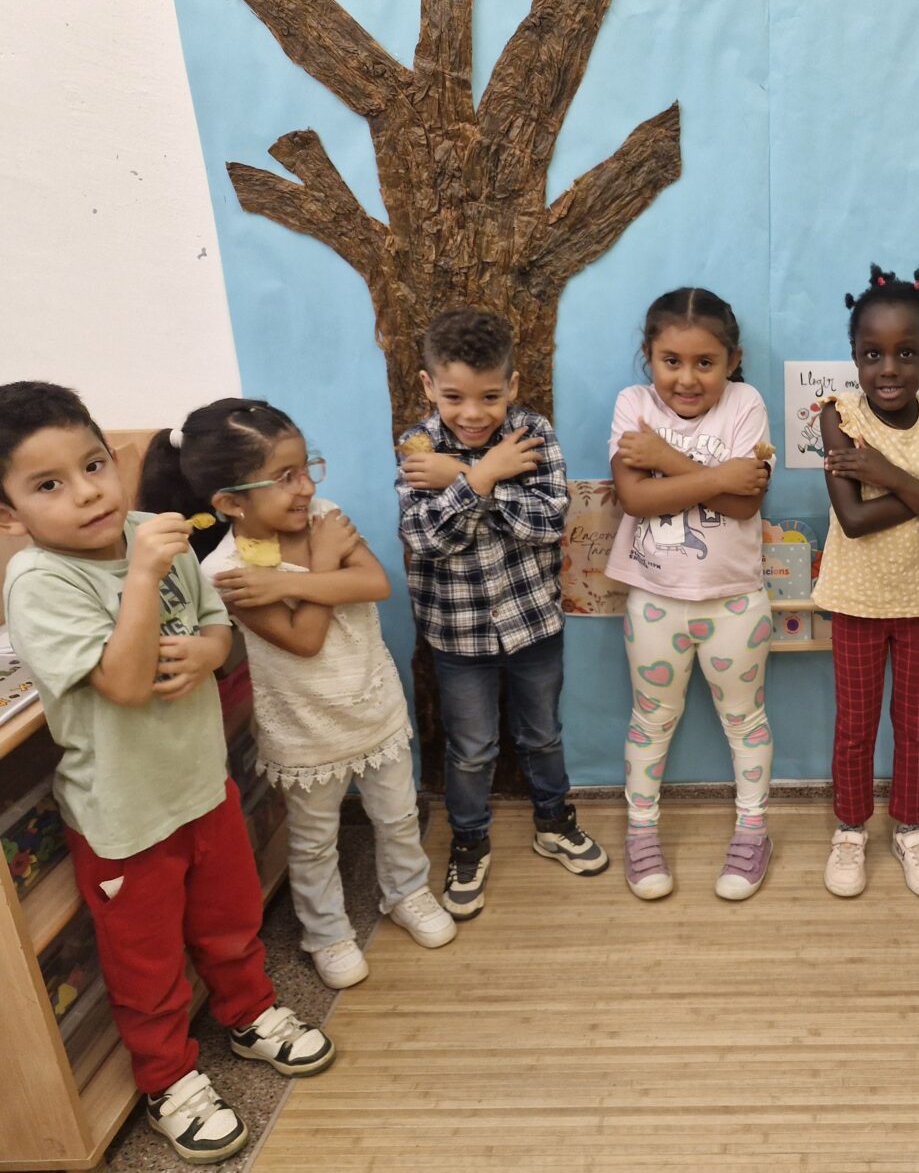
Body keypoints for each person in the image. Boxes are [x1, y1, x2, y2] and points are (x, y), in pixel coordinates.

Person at [0, 382, 333, 1164]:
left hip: (199, 785)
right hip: (123, 816)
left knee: (230, 918)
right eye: (48, 485)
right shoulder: (39, 583)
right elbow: (119, 682)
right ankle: (168, 1078)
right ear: (10, 514)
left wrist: (212, 651)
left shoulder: (154, 529)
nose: (85, 493)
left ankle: (248, 1012)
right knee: (145, 961)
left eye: (91, 466)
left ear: (116, 461)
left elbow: (214, 622)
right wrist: (143, 578)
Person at [139, 398, 456, 991]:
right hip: (306, 729)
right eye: (285, 477)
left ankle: (407, 893)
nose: (307, 487)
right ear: (231, 502)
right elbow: (305, 640)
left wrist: (306, 573)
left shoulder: (325, 519)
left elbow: (376, 582)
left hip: (371, 706)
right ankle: (327, 932)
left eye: (307, 467)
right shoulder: (227, 573)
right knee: (313, 842)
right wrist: (325, 567)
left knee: (399, 815)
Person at [397, 307, 607, 920]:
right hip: (457, 633)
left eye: (489, 396)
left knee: (542, 733)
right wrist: (487, 474)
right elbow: (428, 537)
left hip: (534, 623)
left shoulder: (533, 432)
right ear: (429, 386)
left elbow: (547, 524)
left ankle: (554, 821)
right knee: (471, 748)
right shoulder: (417, 447)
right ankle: (469, 840)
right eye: (455, 396)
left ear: (511, 387)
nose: (472, 412)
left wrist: (461, 478)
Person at [813, 265, 919, 899]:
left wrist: (891, 473)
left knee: (916, 726)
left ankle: (911, 828)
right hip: (856, 602)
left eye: (906, 353)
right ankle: (851, 830)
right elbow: (855, 521)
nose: (889, 368)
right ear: (854, 359)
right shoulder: (839, 419)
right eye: (872, 354)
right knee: (855, 726)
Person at [607, 288, 775, 900]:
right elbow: (635, 499)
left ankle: (754, 827)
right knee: (651, 719)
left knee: (744, 719)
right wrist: (713, 475)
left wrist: (666, 459)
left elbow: (745, 501)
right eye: (670, 360)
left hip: (736, 600)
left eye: (705, 362)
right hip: (653, 599)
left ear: (732, 360)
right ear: (648, 357)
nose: (686, 377)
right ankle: (641, 828)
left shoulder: (746, 403)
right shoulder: (633, 404)